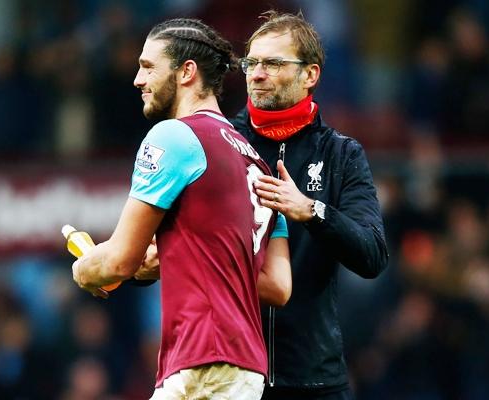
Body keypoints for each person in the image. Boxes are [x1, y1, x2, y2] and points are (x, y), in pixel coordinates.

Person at [70, 18, 292, 399]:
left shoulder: (174, 137)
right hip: (244, 369)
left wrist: (85, 269)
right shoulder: (257, 164)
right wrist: (182, 256)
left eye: (148, 66)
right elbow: (277, 285)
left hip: (202, 362)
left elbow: (120, 262)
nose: (138, 80)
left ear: (187, 71)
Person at [231, 11, 389, 399]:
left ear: (310, 75)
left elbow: (372, 255)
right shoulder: (217, 144)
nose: (257, 73)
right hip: (229, 373)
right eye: (251, 63)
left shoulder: (342, 154)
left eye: (273, 63)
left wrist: (311, 211)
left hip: (313, 379)